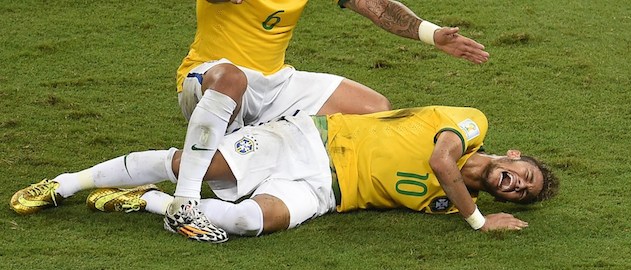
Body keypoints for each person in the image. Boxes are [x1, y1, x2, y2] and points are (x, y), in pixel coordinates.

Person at [169, 0, 491, 240]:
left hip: (274, 81)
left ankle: (278, 164)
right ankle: (184, 201)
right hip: (210, 77)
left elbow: (377, 6)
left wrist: (432, 34)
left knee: (374, 109)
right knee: (232, 79)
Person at [10, 106, 559, 243]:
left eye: (523, 192)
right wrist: (480, 223)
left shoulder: (447, 203)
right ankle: (67, 182)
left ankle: (144, 200)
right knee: (200, 164)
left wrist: (469, 209)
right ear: (510, 155)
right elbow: (443, 164)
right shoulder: (470, 126)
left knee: (252, 222)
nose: (516, 183)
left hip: (325, 191)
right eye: (522, 173)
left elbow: (445, 188)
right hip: (308, 140)